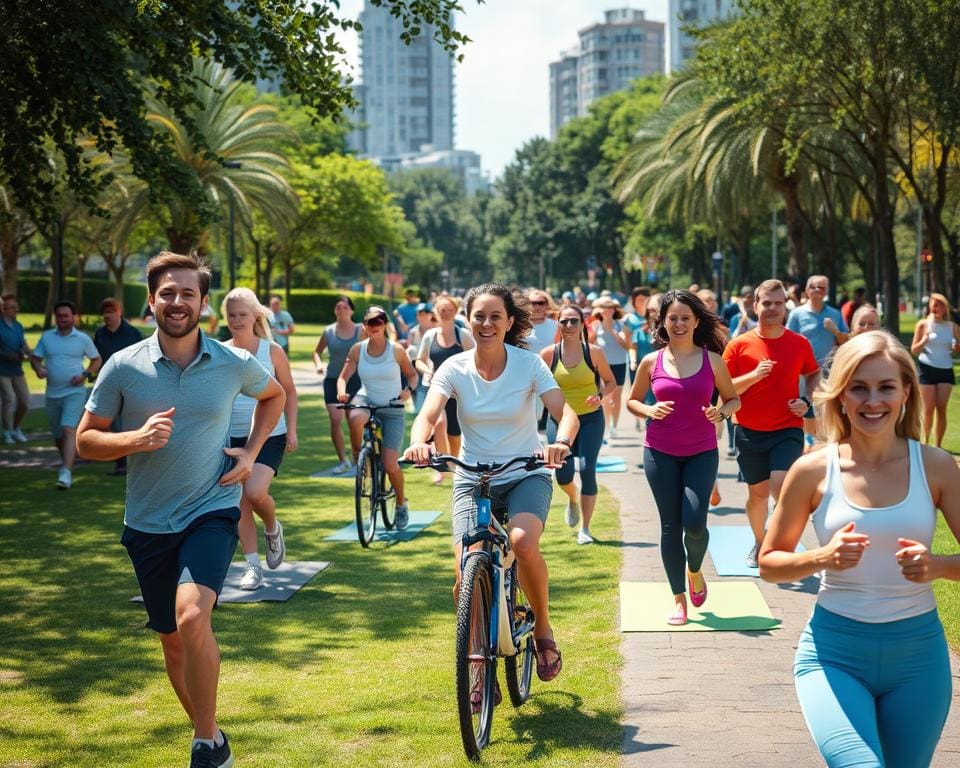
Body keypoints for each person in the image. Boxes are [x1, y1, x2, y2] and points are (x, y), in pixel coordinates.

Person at [76, 252, 286, 768]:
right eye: (167, 293)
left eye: (188, 293)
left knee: (193, 616)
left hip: (211, 507)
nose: (177, 302)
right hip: (147, 521)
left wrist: (253, 451)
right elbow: (85, 441)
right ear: (151, 301)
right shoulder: (123, 366)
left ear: (202, 303)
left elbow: (274, 395)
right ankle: (213, 739)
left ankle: (203, 743)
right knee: (172, 643)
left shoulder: (231, 361)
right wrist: (135, 438)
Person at [758, 331, 960, 768]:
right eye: (859, 387)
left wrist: (938, 566)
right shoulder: (812, 468)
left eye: (886, 387)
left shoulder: (937, 466)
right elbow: (770, 564)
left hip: (919, 660)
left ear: (906, 391)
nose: (873, 401)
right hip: (834, 656)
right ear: (840, 395)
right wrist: (821, 558)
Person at [405, 283, 579, 684]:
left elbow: (564, 411)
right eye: (479, 316)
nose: (486, 324)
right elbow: (429, 413)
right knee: (465, 569)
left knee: (521, 542)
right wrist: (419, 441)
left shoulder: (528, 364)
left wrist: (560, 443)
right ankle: (478, 663)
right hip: (472, 477)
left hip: (525, 472)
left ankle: (542, 630)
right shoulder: (454, 367)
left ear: (510, 321)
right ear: (468, 320)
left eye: (495, 316)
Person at [627, 290, 740, 625]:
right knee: (669, 526)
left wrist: (722, 412)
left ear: (696, 322)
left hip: (701, 452)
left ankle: (695, 570)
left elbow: (733, 399)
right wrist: (648, 408)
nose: (678, 324)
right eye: (672, 318)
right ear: (663, 321)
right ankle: (679, 600)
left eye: (685, 318)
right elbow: (633, 400)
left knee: (695, 522)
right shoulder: (652, 361)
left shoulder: (712, 360)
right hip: (659, 452)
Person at [723, 279, 820, 567]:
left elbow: (813, 374)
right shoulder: (739, 345)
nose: (773, 308)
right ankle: (759, 541)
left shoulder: (799, 343)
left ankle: (779, 538)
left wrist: (807, 400)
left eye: (779, 303)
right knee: (757, 494)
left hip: (787, 427)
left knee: (781, 484)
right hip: (748, 430)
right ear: (755, 306)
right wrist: (754, 376)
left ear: (786, 307)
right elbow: (725, 389)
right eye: (767, 303)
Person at [222, 288, 298, 591]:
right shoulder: (221, 351)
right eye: (231, 315)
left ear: (256, 316)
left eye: (242, 314)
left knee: (255, 493)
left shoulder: (272, 351)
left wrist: (292, 429)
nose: (237, 320)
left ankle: (272, 526)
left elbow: (289, 391)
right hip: (232, 436)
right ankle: (253, 566)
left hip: (270, 434)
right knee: (239, 502)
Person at [540, 304, 616, 545]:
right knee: (563, 474)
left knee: (587, 469)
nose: (569, 326)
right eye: (564, 321)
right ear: (558, 324)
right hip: (560, 421)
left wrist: (601, 396)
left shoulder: (594, 353)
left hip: (591, 418)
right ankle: (572, 498)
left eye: (574, 321)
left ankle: (585, 528)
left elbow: (610, 381)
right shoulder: (548, 355)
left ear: (583, 323)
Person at [338, 305, 419, 529]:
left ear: (384, 325)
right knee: (354, 418)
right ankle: (359, 457)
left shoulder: (396, 350)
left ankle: (401, 503)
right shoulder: (357, 349)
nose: (374, 327)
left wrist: (408, 391)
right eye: (370, 323)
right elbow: (343, 377)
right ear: (364, 326)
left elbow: (412, 375)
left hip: (392, 407)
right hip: (368, 400)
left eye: (379, 322)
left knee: (391, 464)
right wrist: (342, 389)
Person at [30, 300, 102, 489]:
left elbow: (96, 360)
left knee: (68, 429)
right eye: (59, 316)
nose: (62, 319)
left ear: (73, 318)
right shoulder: (47, 338)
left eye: (66, 316)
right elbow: (35, 358)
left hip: (74, 392)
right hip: (52, 393)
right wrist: (38, 370)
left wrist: (85, 375)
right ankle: (68, 462)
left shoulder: (82, 339)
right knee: (58, 434)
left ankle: (66, 473)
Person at [415, 296, 475, 484]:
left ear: (455, 310)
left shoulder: (462, 335)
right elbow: (419, 360)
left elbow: (476, 357)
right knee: (439, 423)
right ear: (435, 312)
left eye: (448, 309)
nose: (445, 312)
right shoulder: (430, 336)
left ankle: (455, 463)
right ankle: (441, 466)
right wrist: (427, 371)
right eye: (441, 309)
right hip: (435, 388)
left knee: (454, 433)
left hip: (457, 390)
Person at [787, 275, 849, 450]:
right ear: (807, 290)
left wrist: (835, 331)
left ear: (826, 292)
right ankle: (809, 444)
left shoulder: (835, 314)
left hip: (828, 371)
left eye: (821, 288)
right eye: (813, 287)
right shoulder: (797, 314)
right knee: (806, 410)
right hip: (803, 372)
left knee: (826, 410)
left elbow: (846, 341)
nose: (817, 290)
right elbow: (788, 341)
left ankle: (819, 446)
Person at [313, 296, 365, 474]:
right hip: (333, 380)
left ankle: (358, 458)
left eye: (345, 307)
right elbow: (317, 352)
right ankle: (343, 460)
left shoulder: (360, 330)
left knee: (353, 422)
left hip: (354, 380)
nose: (341, 310)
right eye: (338, 307)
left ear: (351, 311)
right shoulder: (328, 331)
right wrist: (319, 364)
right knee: (335, 419)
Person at [93, 298, 143, 475]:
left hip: (130, 384)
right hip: (108, 385)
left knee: (128, 423)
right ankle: (121, 462)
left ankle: (127, 463)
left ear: (119, 312)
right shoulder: (100, 334)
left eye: (111, 312)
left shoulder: (132, 333)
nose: (107, 316)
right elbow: (97, 358)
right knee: (113, 425)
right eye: (105, 313)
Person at [910, 292, 960, 448]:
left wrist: (957, 347)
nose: (935, 307)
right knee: (929, 408)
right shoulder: (923, 325)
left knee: (942, 408)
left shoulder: (953, 327)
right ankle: (925, 443)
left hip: (945, 369)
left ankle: (938, 446)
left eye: (939, 304)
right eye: (933, 304)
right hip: (926, 369)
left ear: (945, 308)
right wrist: (924, 340)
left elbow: (957, 348)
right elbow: (914, 350)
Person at [589, 296, 630, 439]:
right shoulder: (596, 325)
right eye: (604, 308)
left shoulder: (621, 325)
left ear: (614, 310)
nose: (607, 311)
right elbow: (589, 344)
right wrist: (593, 335)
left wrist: (613, 332)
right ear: (600, 311)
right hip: (603, 366)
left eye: (610, 308)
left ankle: (614, 425)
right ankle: (606, 426)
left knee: (616, 396)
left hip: (619, 364)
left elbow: (627, 346)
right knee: (605, 396)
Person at [0, 294, 31, 444]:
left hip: (17, 369)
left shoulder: (18, 326)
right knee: (9, 399)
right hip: (2, 370)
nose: (14, 310)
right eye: (11, 308)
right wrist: (7, 355)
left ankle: (15, 428)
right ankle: (7, 432)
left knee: (25, 401)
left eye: (15, 307)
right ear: (3, 310)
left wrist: (32, 354)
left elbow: (23, 345)